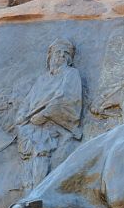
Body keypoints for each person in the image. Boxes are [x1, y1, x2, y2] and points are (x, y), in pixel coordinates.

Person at [17, 39, 83, 187]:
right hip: (31, 126)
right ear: (50, 57)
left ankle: (37, 193)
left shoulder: (71, 74)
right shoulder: (42, 79)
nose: (61, 56)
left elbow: (68, 99)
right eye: (57, 52)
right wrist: (21, 115)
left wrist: (45, 114)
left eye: (65, 53)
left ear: (69, 59)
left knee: (41, 148)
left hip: (56, 125)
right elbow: (27, 102)